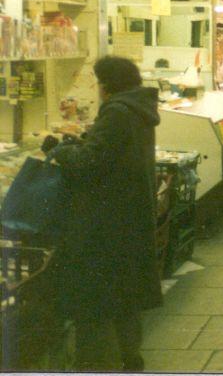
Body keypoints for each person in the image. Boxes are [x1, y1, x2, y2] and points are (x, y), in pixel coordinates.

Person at [47, 56, 162, 371]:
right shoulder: (137, 109)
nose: (96, 87)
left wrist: (60, 151)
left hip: (106, 219)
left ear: (107, 84)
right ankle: (129, 354)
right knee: (125, 294)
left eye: (97, 81)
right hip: (128, 215)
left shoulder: (115, 112)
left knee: (96, 297)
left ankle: (96, 363)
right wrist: (81, 142)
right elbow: (110, 153)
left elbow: (90, 165)